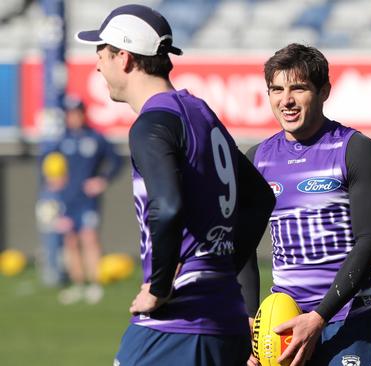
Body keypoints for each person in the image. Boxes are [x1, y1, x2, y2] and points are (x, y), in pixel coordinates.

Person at [75, 4, 275, 365]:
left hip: (177, 325)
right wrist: (222, 267)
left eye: (101, 53)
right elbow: (260, 197)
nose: (98, 64)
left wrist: (159, 286)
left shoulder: (152, 123)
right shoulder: (200, 112)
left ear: (125, 57)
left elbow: (166, 206)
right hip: (226, 320)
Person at [241, 43, 371, 366]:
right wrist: (252, 321)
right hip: (282, 324)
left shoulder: (355, 149)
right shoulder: (257, 159)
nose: (286, 100)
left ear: (324, 91)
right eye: (276, 89)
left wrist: (319, 317)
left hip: (347, 319)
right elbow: (241, 246)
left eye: (298, 88)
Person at [53, 95, 123, 304]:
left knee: (89, 238)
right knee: (70, 241)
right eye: (70, 114)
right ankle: (78, 284)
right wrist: (53, 180)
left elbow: (117, 161)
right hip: (67, 198)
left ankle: (95, 283)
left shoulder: (96, 139)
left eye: (76, 113)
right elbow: (49, 164)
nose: (73, 118)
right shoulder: (62, 140)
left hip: (87, 199)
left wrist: (102, 180)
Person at [35, 152, 71, 287]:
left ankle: (61, 274)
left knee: (64, 254)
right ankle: (52, 274)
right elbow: (44, 219)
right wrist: (56, 223)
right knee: (52, 250)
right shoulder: (47, 194)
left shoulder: (64, 192)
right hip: (52, 233)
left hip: (63, 235)